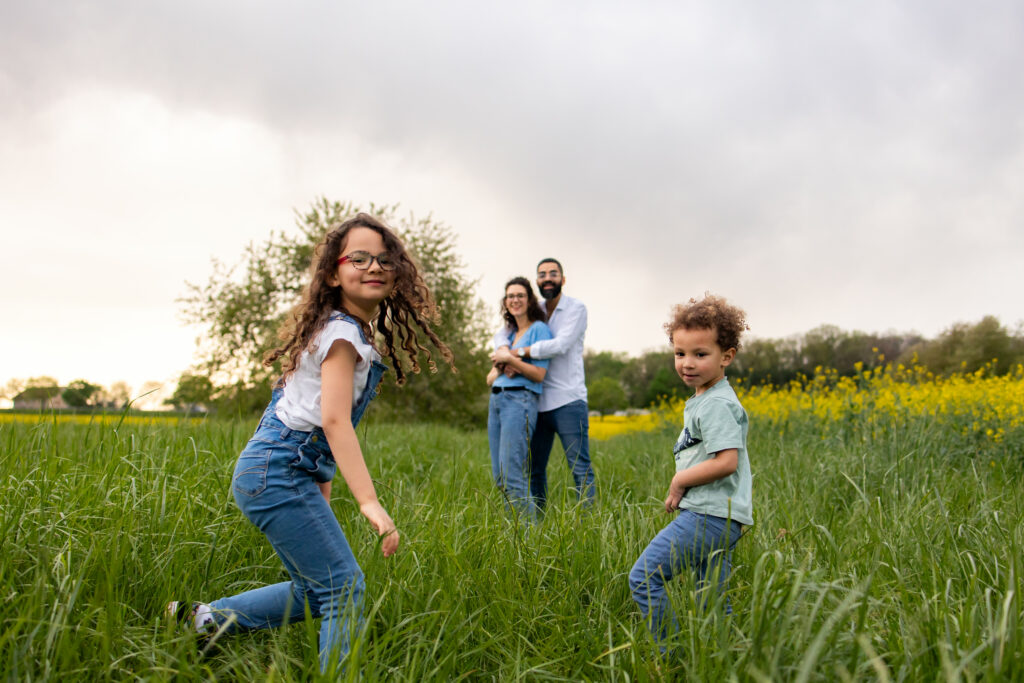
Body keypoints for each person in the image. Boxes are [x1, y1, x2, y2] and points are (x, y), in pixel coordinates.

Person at [167, 213, 454, 673]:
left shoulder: (334, 329)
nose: (374, 266)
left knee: (316, 591)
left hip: (275, 472)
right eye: (358, 257)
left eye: (384, 259)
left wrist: (321, 487)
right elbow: (334, 420)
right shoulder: (342, 335)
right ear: (332, 272)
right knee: (343, 589)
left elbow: (295, 413)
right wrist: (369, 501)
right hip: (276, 473)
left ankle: (203, 620)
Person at [628, 295, 753, 649]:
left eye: (701, 354)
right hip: (721, 516)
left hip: (708, 516)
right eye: (680, 353)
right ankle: (723, 660)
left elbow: (727, 460)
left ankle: (671, 654)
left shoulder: (715, 404)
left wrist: (679, 480)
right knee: (712, 599)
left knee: (643, 578)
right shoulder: (707, 398)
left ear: (726, 356)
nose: (687, 363)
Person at [491, 258, 595, 510]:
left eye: (553, 273)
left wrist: (515, 354)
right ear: (537, 281)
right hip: (537, 401)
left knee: (579, 467)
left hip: (568, 399)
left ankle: (588, 522)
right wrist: (503, 348)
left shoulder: (575, 309)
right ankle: (537, 523)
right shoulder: (534, 307)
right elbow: (504, 332)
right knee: (534, 468)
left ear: (563, 279)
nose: (548, 278)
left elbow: (559, 345)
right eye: (542, 274)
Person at [486, 277, 552, 522]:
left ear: (529, 299)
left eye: (520, 295)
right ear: (505, 301)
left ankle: (530, 538)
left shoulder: (539, 330)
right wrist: (506, 365)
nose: (515, 300)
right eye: (510, 296)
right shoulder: (508, 334)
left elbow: (538, 374)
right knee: (500, 477)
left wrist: (512, 361)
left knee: (513, 474)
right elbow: (490, 376)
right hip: (497, 402)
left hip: (520, 401)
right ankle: (513, 532)